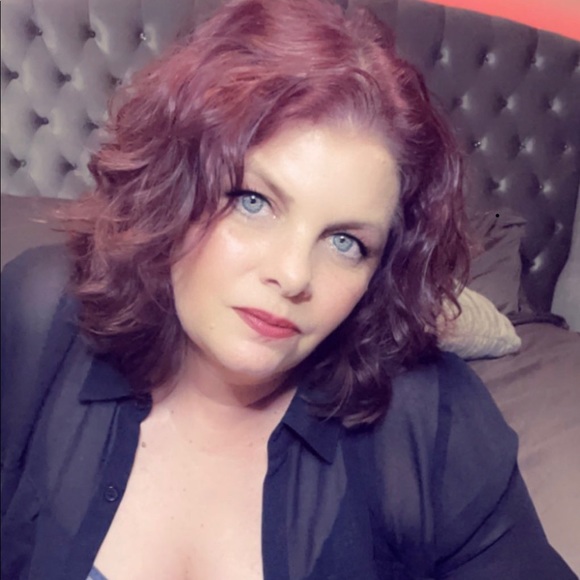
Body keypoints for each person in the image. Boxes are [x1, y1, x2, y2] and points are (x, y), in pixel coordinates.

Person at [1, 0, 575, 578]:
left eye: (346, 242)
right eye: (253, 202)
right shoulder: (44, 314)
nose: (295, 275)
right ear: (172, 188)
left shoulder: (429, 419)